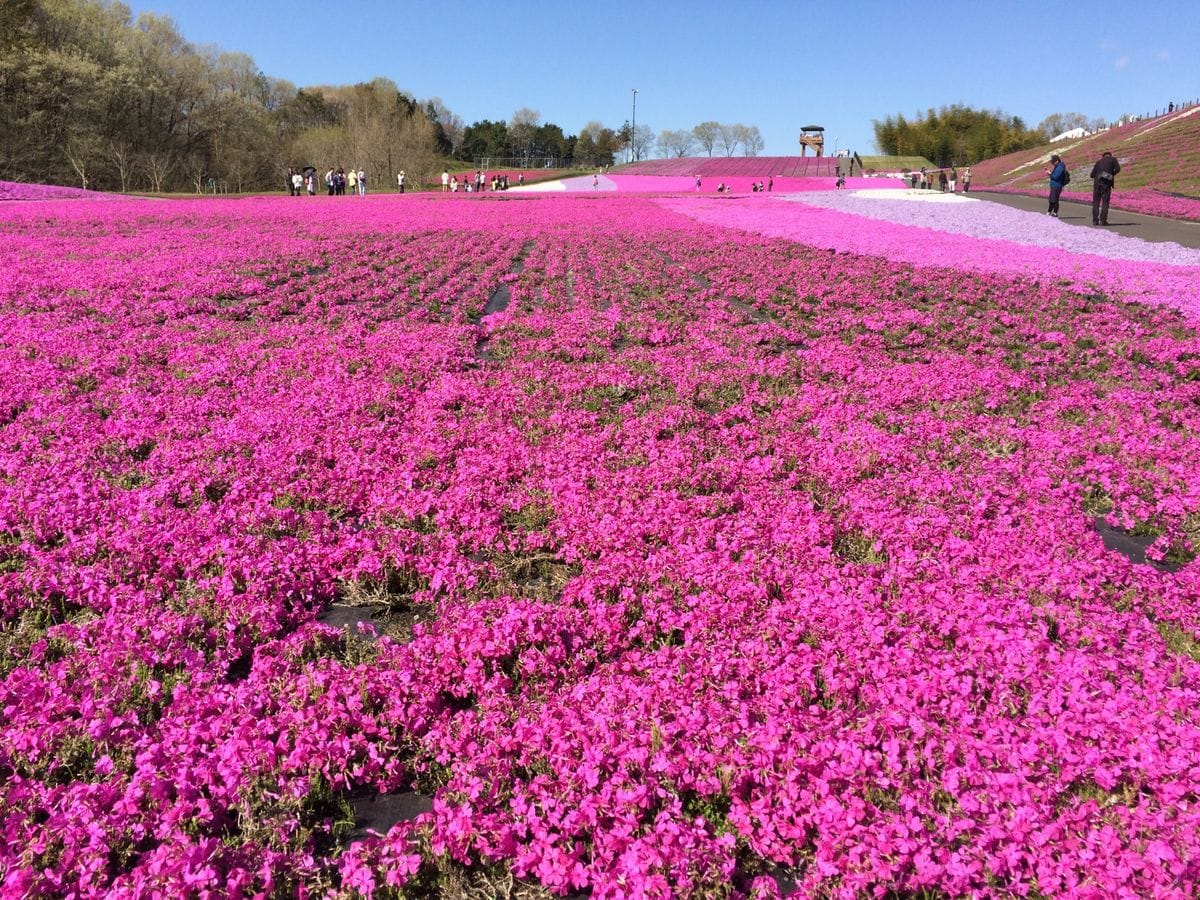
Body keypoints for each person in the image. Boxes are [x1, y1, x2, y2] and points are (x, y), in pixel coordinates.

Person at [1089, 150, 1120, 225]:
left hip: (1097, 184)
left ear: (1103, 156)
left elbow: (1092, 175)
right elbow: (1118, 169)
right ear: (1110, 155)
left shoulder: (1098, 162)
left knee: (1096, 202)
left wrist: (1099, 173)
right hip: (1106, 183)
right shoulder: (1113, 159)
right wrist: (1109, 175)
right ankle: (1103, 220)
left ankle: (1095, 220)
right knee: (1105, 202)